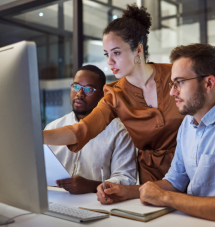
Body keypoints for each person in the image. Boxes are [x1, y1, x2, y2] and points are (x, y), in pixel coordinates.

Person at [97, 44, 215, 227]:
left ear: (209, 83)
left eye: (179, 82)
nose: (172, 92)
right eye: (172, 84)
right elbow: (174, 181)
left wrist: (165, 197)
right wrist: (128, 191)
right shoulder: (188, 124)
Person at [43, 4, 184, 184]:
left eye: (116, 53)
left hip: (191, 168)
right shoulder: (114, 94)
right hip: (152, 179)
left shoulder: (175, 75)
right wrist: (36, 136)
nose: (109, 61)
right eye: (107, 54)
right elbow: (81, 130)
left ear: (138, 50)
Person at [45, 65, 137, 194]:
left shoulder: (119, 132)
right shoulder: (53, 127)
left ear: (102, 95)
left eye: (88, 89)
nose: (80, 94)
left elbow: (126, 179)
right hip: (54, 199)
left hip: (97, 203)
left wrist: (91, 186)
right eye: (76, 86)